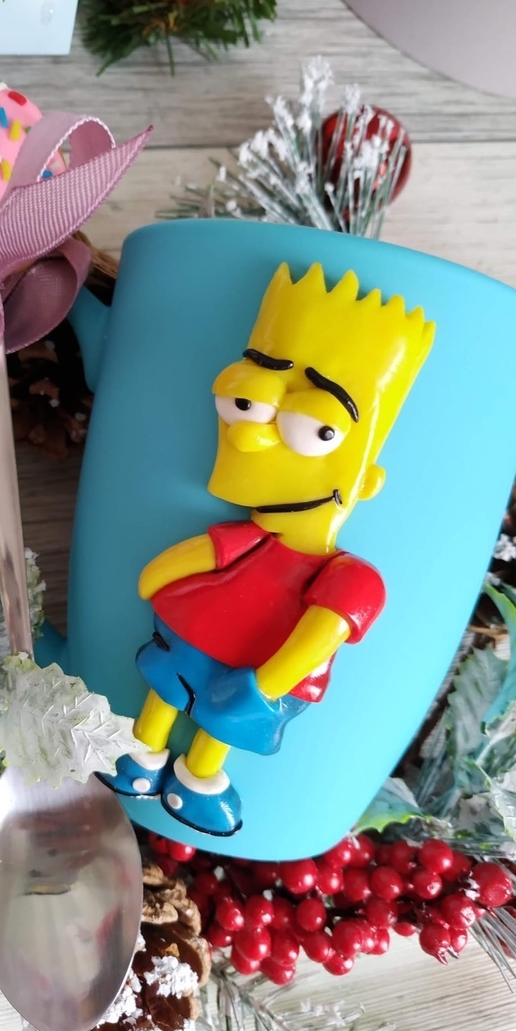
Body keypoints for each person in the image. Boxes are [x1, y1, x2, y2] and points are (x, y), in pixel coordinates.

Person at [100, 262, 434, 835]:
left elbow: (320, 634)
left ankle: (197, 778)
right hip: (198, 631)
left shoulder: (353, 578)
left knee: (219, 720)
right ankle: (142, 755)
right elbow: (199, 556)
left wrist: (265, 685)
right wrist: (155, 579)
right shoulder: (251, 538)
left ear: (366, 480)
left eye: (316, 429)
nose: (252, 438)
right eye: (245, 404)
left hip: (255, 667)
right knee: (170, 687)